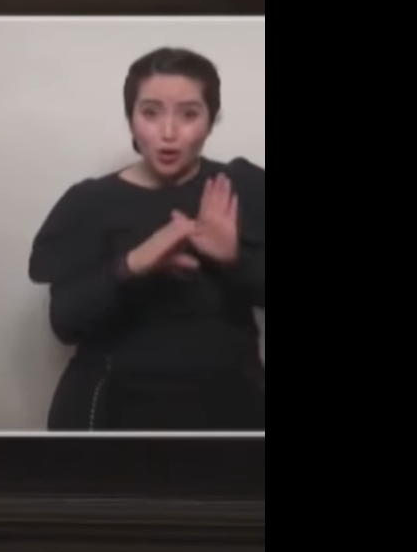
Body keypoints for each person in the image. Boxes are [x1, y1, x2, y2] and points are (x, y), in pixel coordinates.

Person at [27, 47, 265, 432]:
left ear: (211, 119)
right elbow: (64, 324)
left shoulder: (242, 187)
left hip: (230, 404)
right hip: (110, 405)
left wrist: (233, 258)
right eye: (151, 113)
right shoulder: (90, 201)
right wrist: (131, 266)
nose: (168, 133)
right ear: (131, 118)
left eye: (189, 114)